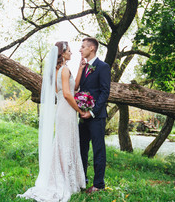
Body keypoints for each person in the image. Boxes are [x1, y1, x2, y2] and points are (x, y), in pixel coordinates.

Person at [18, 41, 86, 202]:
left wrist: (81, 69)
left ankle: (67, 178)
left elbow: (74, 87)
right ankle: (63, 180)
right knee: (65, 144)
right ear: (62, 54)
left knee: (64, 143)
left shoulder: (56, 71)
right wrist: (80, 110)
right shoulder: (64, 70)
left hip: (62, 110)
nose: (72, 53)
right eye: (69, 51)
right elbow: (69, 95)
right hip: (67, 110)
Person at [75, 37, 111, 194]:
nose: (80, 50)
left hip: (97, 117)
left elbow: (105, 92)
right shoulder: (84, 67)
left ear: (92, 49)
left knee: (98, 150)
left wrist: (92, 112)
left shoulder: (103, 67)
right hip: (82, 116)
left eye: (83, 47)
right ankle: (83, 180)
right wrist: (81, 110)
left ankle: (98, 184)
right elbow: (80, 89)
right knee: (81, 149)